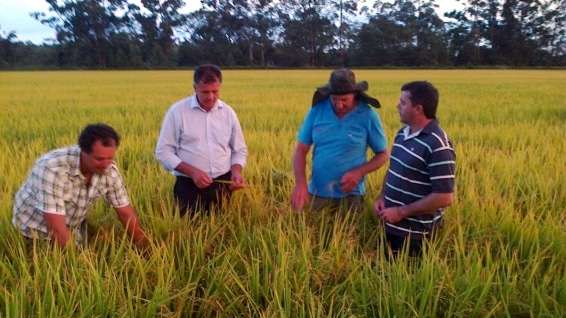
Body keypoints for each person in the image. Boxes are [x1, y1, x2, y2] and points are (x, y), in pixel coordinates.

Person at [12, 123, 149, 248]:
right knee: (53, 265)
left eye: (110, 158)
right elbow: (56, 228)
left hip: (71, 223)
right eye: (99, 159)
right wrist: (81, 264)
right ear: (83, 151)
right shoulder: (53, 169)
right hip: (35, 228)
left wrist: (144, 245)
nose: (106, 164)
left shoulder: (109, 170)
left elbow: (125, 213)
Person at [374, 81, 456, 257]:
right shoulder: (402, 134)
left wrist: (400, 212)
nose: (397, 106)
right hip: (390, 225)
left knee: (408, 281)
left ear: (418, 109)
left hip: (416, 236)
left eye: (403, 103)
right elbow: (393, 169)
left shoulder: (438, 144)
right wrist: (382, 197)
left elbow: (444, 197)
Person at [291, 68, 389, 212]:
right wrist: (300, 184)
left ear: (355, 95)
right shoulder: (317, 110)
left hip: (352, 196)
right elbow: (300, 150)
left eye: (344, 100)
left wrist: (359, 172)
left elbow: (383, 154)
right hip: (317, 193)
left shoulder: (368, 115)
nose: (339, 105)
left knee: (350, 232)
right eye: (334, 99)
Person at [155, 64, 248, 215]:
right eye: (205, 92)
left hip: (222, 184)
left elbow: (239, 150)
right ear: (194, 88)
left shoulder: (228, 113)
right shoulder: (177, 112)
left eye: (215, 91)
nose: (211, 97)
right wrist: (192, 172)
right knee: (188, 231)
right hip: (188, 186)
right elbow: (163, 152)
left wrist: (236, 172)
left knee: (222, 227)